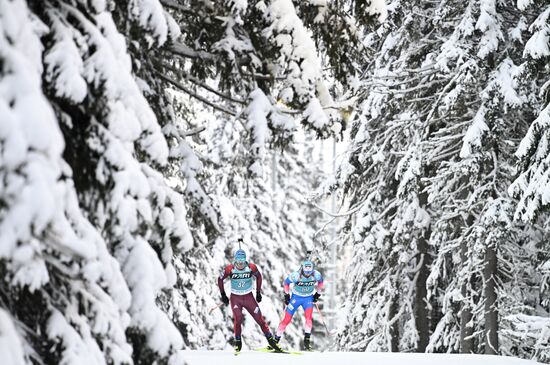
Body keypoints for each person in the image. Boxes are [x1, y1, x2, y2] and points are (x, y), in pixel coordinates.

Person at [218, 247, 282, 352]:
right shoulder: (230, 269)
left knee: (260, 320)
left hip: (249, 298)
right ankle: (238, 342)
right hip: (236, 298)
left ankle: (271, 341)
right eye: (238, 261)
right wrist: (223, 295)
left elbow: (259, 277)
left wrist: (258, 292)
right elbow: (220, 279)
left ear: (245, 259)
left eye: (242, 260)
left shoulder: (251, 267)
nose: (240, 263)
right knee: (238, 319)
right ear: (235, 260)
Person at [273, 260, 324, 351]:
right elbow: (286, 283)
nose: (308, 274)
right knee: (286, 320)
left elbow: (321, 282)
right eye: (306, 272)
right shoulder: (296, 275)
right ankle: (275, 341)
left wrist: (318, 294)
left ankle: (307, 342)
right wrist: (286, 295)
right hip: (296, 298)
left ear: (312, 270)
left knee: (308, 318)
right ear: (302, 270)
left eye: (310, 272)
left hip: (308, 299)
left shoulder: (316, 274)